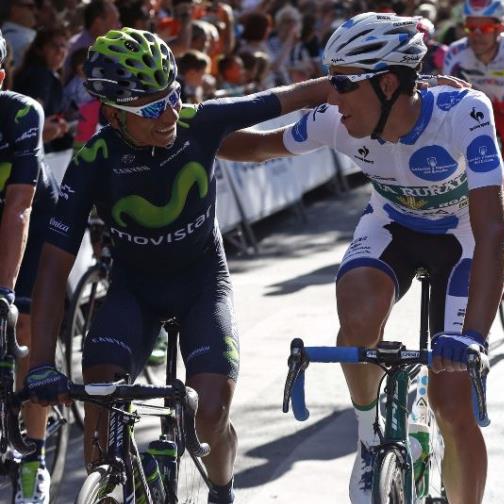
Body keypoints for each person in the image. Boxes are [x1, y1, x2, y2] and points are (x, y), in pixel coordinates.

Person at [21, 27, 335, 504]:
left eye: (171, 97)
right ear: (113, 113)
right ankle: (113, 483)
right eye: (151, 108)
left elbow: (291, 96)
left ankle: (222, 491)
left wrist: (386, 83)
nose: (168, 114)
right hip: (133, 291)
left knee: (209, 415)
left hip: (201, 284)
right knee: (100, 401)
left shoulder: (197, 123)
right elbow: (51, 268)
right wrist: (42, 364)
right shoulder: (93, 160)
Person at [217, 12, 504, 504]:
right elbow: (259, 146)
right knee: (357, 316)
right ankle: (371, 435)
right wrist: (180, 131)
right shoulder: (337, 120)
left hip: (463, 239)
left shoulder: (463, 113)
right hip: (393, 227)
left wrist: (473, 337)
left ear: (388, 83)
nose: (333, 96)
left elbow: (493, 230)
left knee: (452, 405)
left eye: (343, 83)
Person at [444, 0, 504, 327]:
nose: (477, 34)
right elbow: (444, 108)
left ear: (500, 28)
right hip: (478, 122)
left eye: (485, 28)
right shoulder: (455, 53)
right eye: (470, 27)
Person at [0, 28, 59, 504]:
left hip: (34, 223)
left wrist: (5, 293)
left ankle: (33, 460)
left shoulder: (22, 113)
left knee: (25, 329)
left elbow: (19, 207)